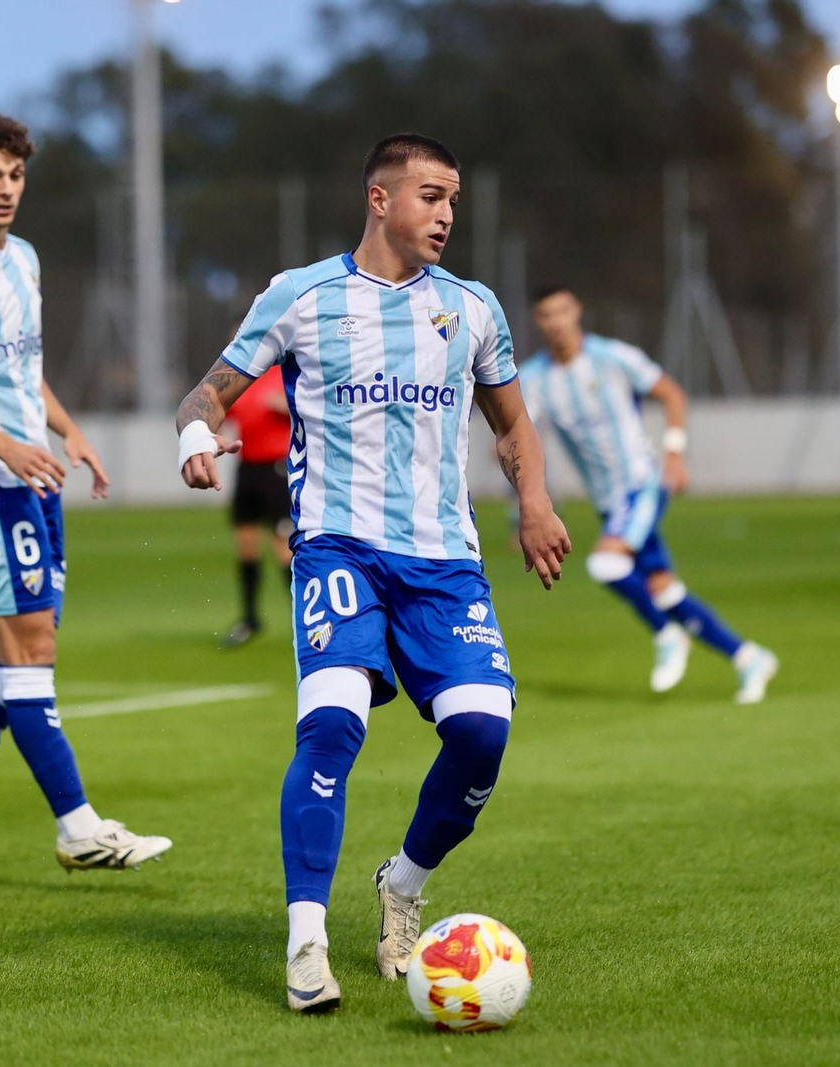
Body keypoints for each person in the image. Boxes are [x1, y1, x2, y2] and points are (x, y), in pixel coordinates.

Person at [176, 133, 571, 1013]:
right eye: (431, 195)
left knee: (482, 735)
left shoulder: (471, 308)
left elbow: (512, 424)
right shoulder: (301, 296)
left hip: (445, 561)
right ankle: (306, 942)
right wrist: (197, 435)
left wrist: (535, 500)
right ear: (381, 199)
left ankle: (402, 882)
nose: (446, 215)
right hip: (336, 546)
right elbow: (207, 393)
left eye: (455, 200)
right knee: (332, 725)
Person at [0, 113, 170, 901]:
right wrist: (6, 448)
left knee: (24, 656)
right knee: (30, 652)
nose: (5, 189)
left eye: (14, 174)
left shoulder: (26, 259)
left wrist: (67, 430)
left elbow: (20, 370)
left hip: (33, 478)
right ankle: (77, 827)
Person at [521, 286, 778, 699]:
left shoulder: (612, 357)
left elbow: (672, 394)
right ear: (538, 320)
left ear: (578, 311)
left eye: (563, 311)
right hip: (609, 502)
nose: (557, 322)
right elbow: (520, 436)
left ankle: (666, 636)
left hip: (642, 483)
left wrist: (675, 453)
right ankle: (749, 658)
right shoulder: (534, 379)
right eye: (547, 314)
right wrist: (528, 503)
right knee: (665, 589)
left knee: (606, 564)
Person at [221, 365, 295, 646]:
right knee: (246, 544)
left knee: (283, 546)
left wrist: (285, 403)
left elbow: (309, 405)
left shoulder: (283, 372)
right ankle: (250, 618)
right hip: (247, 468)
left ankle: (303, 618)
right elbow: (224, 414)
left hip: (276, 470)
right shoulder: (240, 379)